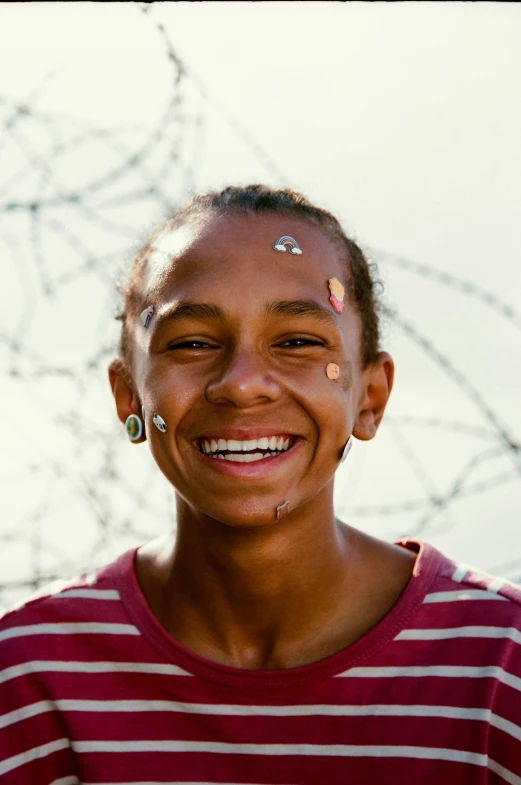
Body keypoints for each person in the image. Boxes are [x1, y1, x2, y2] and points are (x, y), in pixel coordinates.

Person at [1, 185, 520, 784]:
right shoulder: (29, 677)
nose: (243, 384)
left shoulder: (499, 667)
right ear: (128, 398)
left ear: (370, 396)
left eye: (298, 342)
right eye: (192, 343)